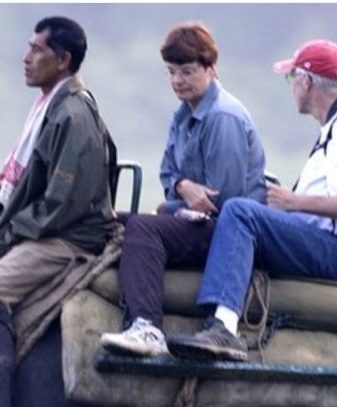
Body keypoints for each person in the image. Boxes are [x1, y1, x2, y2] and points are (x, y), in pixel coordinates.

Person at [166, 39, 337, 362]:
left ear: (307, 81)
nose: (292, 88)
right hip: (334, 243)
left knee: (240, 212)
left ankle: (223, 327)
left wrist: (294, 202)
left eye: (292, 79)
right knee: (247, 210)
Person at [99, 22, 266, 357]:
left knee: (146, 226)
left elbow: (226, 206)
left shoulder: (223, 118)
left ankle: (147, 326)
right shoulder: (183, 114)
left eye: (187, 72)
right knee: (115, 219)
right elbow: (167, 173)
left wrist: (171, 208)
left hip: (227, 235)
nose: (178, 81)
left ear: (211, 69)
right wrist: (182, 187)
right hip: (194, 219)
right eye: (172, 72)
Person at [0, 16, 117, 311]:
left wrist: (11, 229)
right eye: (29, 49)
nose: (26, 59)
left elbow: (60, 205)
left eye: (37, 51)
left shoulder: (73, 117)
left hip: (68, 241)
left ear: (63, 60)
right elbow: (37, 191)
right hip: (48, 235)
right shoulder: (50, 108)